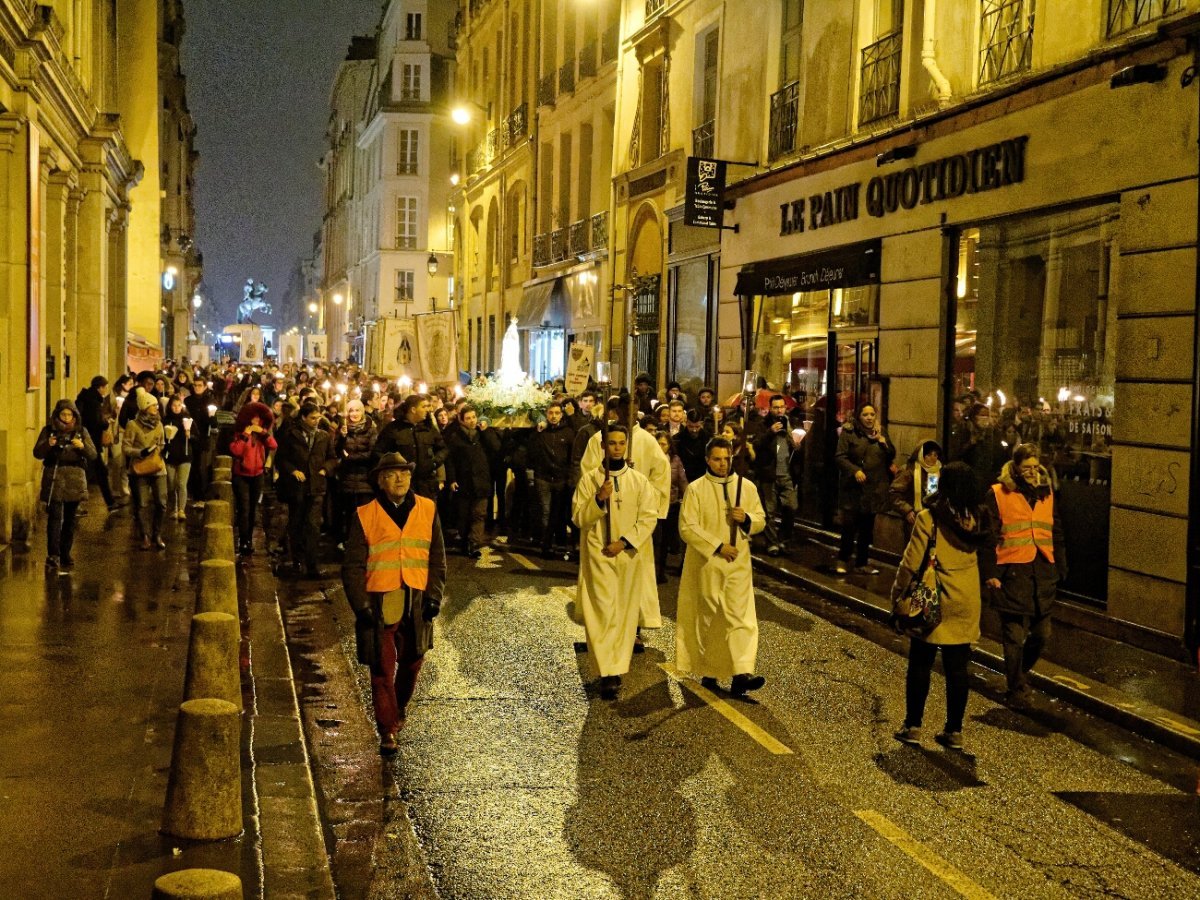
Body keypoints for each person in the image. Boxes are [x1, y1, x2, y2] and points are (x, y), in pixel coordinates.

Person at [342, 452, 446, 755]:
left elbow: (437, 558)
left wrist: (434, 596)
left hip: (416, 599)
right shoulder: (365, 514)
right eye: (391, 474)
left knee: (413, 663)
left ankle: (397, 707)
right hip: (379, 601)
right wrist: (361, 606)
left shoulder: (428, 509)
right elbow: (352, 565)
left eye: (404, 472)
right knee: (381, 670)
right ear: (380, 481)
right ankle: (387, 730)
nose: (399, 478)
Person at [891, 463, 991, 750]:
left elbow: (910, 563)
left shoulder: (930, 518)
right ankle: (954, 731)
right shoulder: (979, 519)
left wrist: (897, 595)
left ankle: (913, 725)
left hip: (934, 600)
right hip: (966, 599)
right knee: (958, 668)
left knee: (921, 662)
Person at [572, 426, 660, 701]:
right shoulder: (589, 480)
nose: (617, 448)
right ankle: (606, 673)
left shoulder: (638, 481)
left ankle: (617, 669)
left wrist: (624, 542)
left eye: (622, 443)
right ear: (603, 447)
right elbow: (578, 517)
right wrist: (599, 499)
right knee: (602, 613)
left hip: (626, 556)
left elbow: (648, 517)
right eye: (612, 443)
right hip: (599, 556)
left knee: (622, 614)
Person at [675, 437, 767, 697]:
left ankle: (741, 674)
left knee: (741, 618)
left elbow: (760, 518)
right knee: (712, 618)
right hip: (709, 564)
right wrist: (717, 545)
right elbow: (688, 527)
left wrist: (746, 518)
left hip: (738, 563)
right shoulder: (696, 489)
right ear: (707, 460)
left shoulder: (745, 487)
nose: (722, 464)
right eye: (717, 459)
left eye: (726, 459)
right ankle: (710, 670)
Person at [980, 443, 1067, 709]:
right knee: (1014, 635)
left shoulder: (1046, 492)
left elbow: (1056, 530)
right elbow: (989, 535)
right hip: (1010, 571)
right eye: (1026, 467)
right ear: (1015, 467)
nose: (1031, 471)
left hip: (1041, 571)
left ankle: (1019, 675)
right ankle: (1017, 687)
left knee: (1042, 634)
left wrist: (1061, 565)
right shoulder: (997, 492)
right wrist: (990, 572)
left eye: (1034, 466)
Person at [580, 398, 671, 640]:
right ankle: (603, 630)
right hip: (604, 520)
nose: (628, 415)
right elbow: (589, 471)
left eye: (633, 410)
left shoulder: (648, 442)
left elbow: (661, 473)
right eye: (623, 410)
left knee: (634, 582)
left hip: (633, 521)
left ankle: (634, 627)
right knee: (604, 587)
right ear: (616, 411)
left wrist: (637, 486)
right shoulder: (599, 438)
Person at [33, 400, 97, 574]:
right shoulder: (49, 431)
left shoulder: (81, 432)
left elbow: (93, 454)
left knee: (70, 519)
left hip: (74, 478)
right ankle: (53, 554)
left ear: (75, 416)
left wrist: (82, 447)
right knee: (54, 517)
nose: (67, 418)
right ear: (57, 415)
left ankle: (65, 552)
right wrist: (49, 444)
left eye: (70, 415)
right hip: (55, 477)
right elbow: (37, 453)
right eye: (63, 414)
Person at [834, 405, 895, 575]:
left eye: (872, 414)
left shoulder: (881, 431)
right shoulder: (850, 432)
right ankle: (843, 559)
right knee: (850, 526)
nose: (869, 418)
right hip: (854, 489)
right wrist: (854, 471)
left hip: (874, 488)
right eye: (865, 414)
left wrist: (884, 442)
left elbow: (891, 455)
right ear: (859, 416)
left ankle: (862, 562)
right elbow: (840, 456)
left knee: (867, 528)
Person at [275, 402, 334, 577]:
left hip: (316, 487)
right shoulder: (291, 435)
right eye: (312, 418)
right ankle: (297, 561)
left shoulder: (324, 436)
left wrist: (325, 469)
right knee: (297, 524)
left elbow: (332, 457)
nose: (316, 421)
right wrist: (293, 470)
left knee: (314, 526)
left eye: (318, 418)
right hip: (297, 488)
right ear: (303, 417)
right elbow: (281, 458)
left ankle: (312, 564)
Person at [373, 394, 448, 501]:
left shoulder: (428, 428)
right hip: (402, 485)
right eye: (423, 407)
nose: (428, 410)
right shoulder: (394, 429)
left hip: (426, 485)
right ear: (413, 409)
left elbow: (443, 449)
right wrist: (395, 467)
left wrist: (434, 462)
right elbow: (378, 452)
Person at [751, 394, 799, 556]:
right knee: (769, 511)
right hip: (769, 474)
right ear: (770, 408)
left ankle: (784, 538)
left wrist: (793, 436)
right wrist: (770, 432)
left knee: (791, 506)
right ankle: (772, 543)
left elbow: (798, 448)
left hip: (787, 473)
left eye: (782, 407)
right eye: (775, 407)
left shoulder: (791, 423)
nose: (779, 410)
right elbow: (756, 444)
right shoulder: (762, 424)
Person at [529, 401, 576, 559]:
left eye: (557, 413)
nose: (554, 416)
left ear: (561, 415)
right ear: (546, 414)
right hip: (544, 477)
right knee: (546, 511)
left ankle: (559, 543)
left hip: (562, 478)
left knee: (560, 513)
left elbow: (572, 456)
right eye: (551, 413)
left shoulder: (568, 432)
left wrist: (569, 476)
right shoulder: (541, 431)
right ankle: (546, 544)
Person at [229, 401, 277, 555]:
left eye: (259, 419)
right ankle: (243, 541)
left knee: (252, 509)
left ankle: (248, 538)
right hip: (241, 476)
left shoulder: (262, 435)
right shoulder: (239, 433)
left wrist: (263, 432)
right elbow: (236, 451)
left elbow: (273, 445)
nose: (256, 421)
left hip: (258, 475)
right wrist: (246, 434)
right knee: (243, 509)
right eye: (253, 419)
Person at [123, 389, 169, 550]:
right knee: (142, 504)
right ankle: (145, 536)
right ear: (144, 407)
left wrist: (164, 449)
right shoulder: (133, 425)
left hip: (157, 467)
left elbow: (162, 443)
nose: (157, 408)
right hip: (139, 469)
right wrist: (140, 452)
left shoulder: (159, 424)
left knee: (161, 503)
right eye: (153, 405)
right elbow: (126, 448)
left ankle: (157, 534)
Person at [443, 405, 490, 559]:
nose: (471, 421)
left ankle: (473, 544)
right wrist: (452, 479)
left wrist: (486, 432)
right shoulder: (455, 437)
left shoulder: (482, 436)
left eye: (474, 417)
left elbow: (495, 447)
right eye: (468, 418)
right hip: (464, 482)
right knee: (464, 515)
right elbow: (449, 460)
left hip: (481, 481)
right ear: (462, 420)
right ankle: (464, 541)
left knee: (479, 514)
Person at [332, 399, 378, 546]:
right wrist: (342, 437)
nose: (354, 414)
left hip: (365, 479)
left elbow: (372, 453)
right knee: (348, 512)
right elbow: (336, 451)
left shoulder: (371, 429)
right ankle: (348, 541)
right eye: (351, 410)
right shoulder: (343, 428)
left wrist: (350, 458)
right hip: (347, 478)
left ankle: (365, 541)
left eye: (357, 410)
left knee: (364, 512)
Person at [74, 375, 118, 512]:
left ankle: (110, 503)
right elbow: (95, 422)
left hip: (89, 442)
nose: (106, 390)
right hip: (90, 443)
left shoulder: (87, 398)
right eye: (105, 387)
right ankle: (74, 505)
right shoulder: (93, 401)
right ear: (99, 387)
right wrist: (106, 423)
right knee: (89, 474)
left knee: (100, 472)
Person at [890, 440, 943, 541]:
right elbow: (895, 493)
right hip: (914, 519)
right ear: (921, 455)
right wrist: (907, 510)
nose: (933, 458)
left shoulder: (938, 471)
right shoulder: (909, 470)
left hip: (933, 519)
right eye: (929, 455)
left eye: (935, 455)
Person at [654, 431, 687, 583]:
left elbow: (682, 481)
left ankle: (661, 570)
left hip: (671, 505)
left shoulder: (675, 460)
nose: (661, 447)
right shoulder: (651, 459)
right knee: (656, 540)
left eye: (664, 444)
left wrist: (686, 498)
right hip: (654, 505)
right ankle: (654, 570)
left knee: (666, 540)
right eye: (658, 443)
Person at [161, 394, 193, 521]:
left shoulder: (187, 420)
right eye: (174, 405)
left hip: (185, 456)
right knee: (171, 484)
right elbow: (160, 437)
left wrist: (189, 435)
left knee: (181, 483)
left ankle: (181, 509)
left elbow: (196, 437)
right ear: (170, 406)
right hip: (170, 456)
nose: (176, 408)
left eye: (179, 405)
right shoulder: (165, 420)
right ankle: (173, 508)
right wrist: (166, 438)